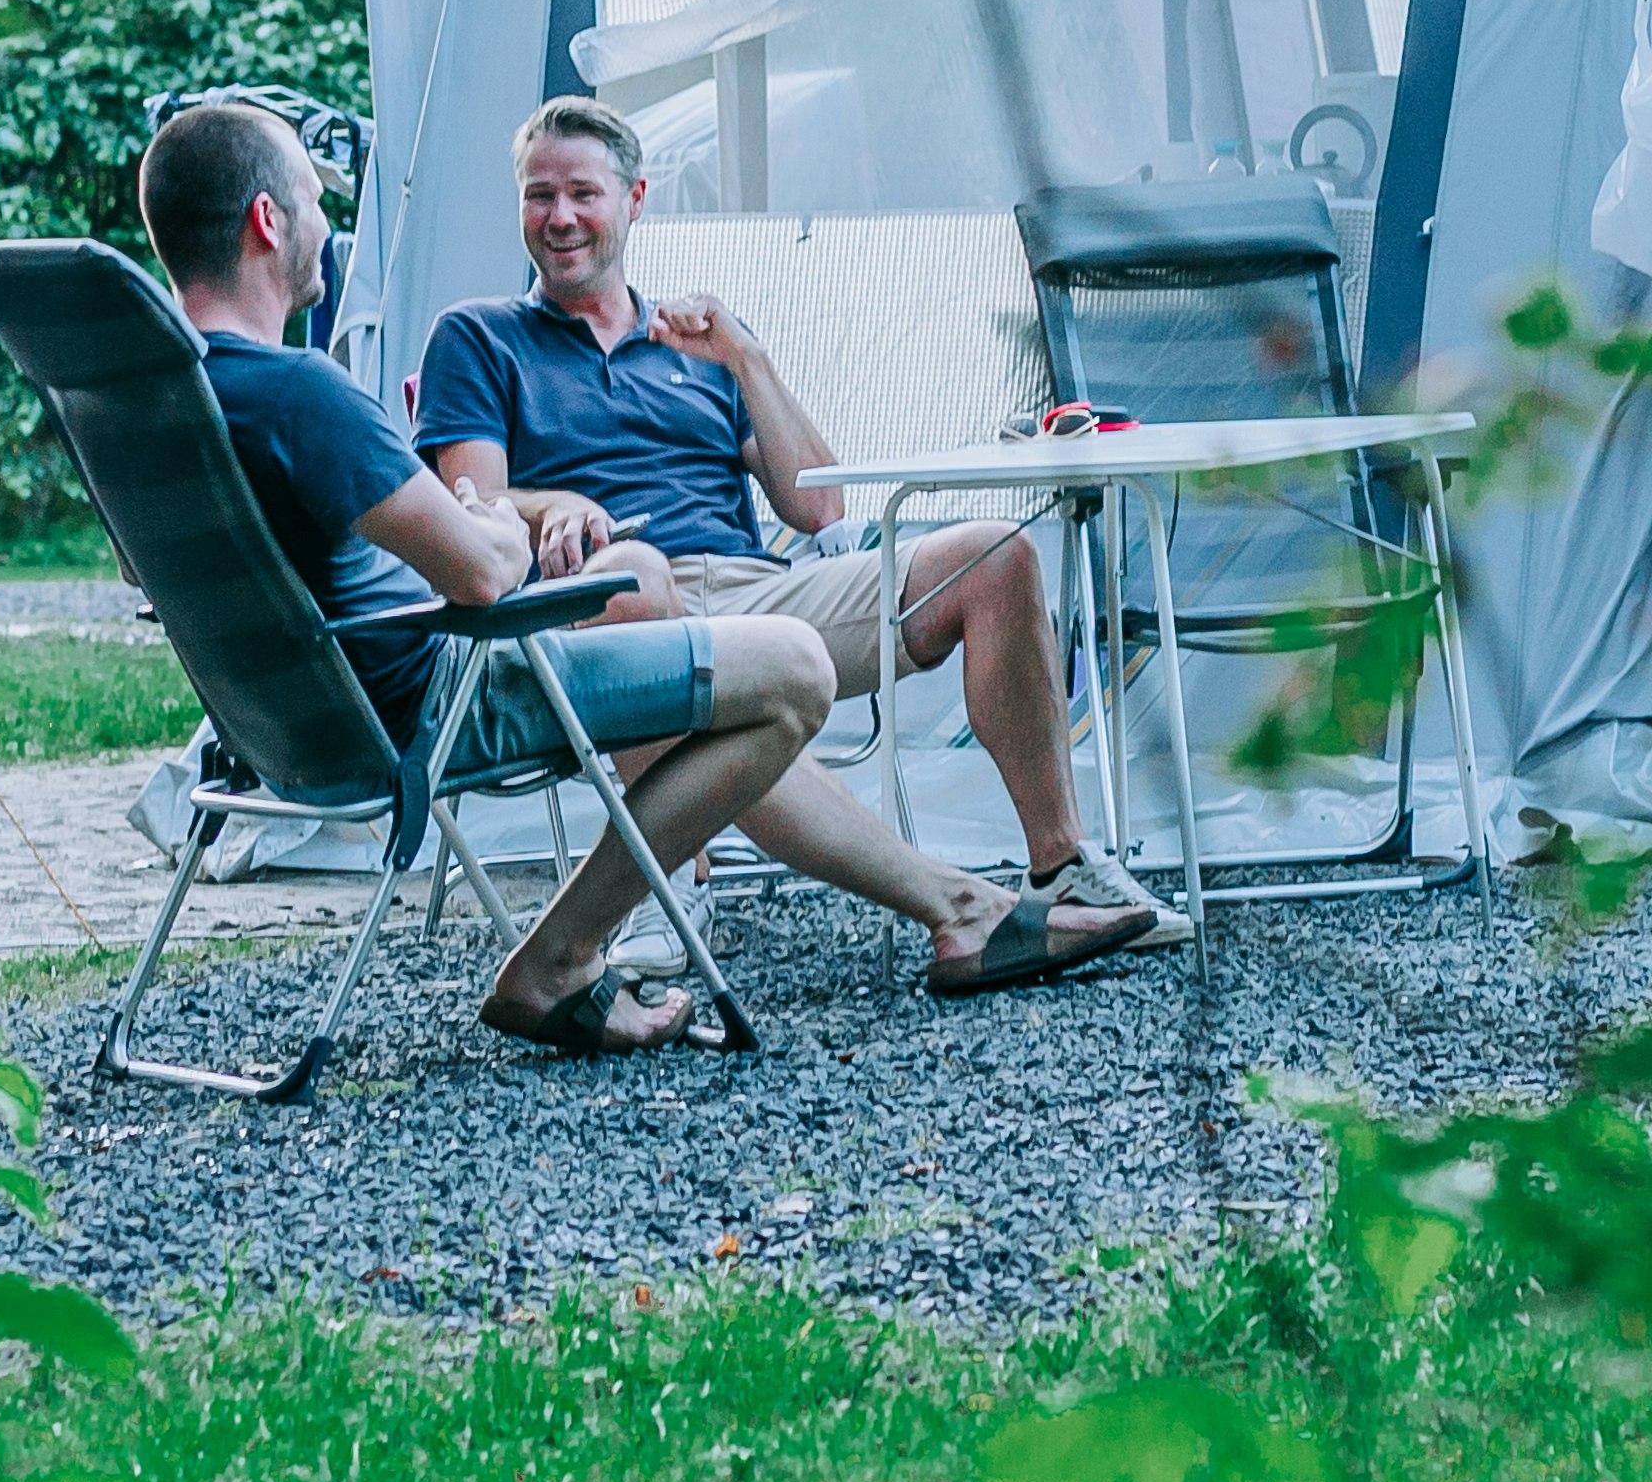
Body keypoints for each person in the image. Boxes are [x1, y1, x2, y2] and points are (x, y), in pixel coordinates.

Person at [413, 95, 1182, 995]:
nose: (560, 217)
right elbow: (475, 500)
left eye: (583, 192)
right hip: (602, 598)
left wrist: (747, 359)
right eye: (539, 194)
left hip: (757, 593)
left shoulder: (694, 345)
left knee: (997, 558)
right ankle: (669, 880)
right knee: (635, 578)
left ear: (635, 200)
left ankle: (1062, 867)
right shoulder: (479, 335)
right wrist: (557, 505)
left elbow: (819, 506)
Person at [138, 98, 826, 1058]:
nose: (329, 224)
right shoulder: (301, 396)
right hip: (440, 703)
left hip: (277, 731)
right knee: (794, 672)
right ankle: (560, 954)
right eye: (315, 199)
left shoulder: (153, 403)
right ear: (267, 220)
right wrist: (498, 521)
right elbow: (481, 574)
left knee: (714, 627)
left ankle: (940, 903)